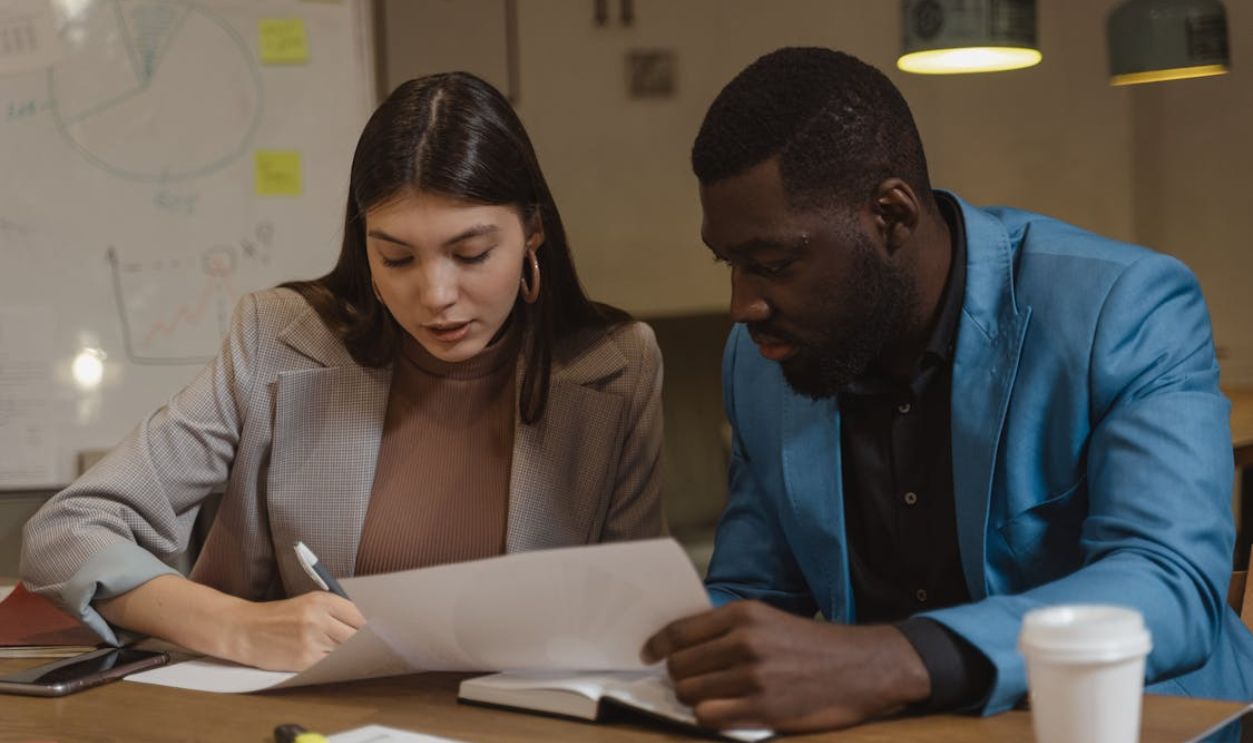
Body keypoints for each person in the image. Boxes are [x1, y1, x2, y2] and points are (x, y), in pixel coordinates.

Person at [641, 47, 1253, 733]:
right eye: (729, 263)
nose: (741, 305)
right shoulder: (757, 362)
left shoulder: (1122, 305)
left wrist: (888, 659)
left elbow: (1170, 585)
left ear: (891, 216)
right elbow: (753, 592)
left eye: (773, 263)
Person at [21, 72, 663, 672]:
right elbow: (64, 532)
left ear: (533, 234)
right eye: (398, 258)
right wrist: (239, 625)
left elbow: (636, 618)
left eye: (471, 254)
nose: (435, 294)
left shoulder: (616, 367)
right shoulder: (280, 340)